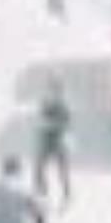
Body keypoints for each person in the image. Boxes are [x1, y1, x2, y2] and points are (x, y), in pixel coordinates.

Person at [34, 76, 72, 208]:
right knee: (39, 168)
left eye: (54, 89)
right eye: (50, 88)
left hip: (58, 140)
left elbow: (65, 123)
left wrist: (50, 124)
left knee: (62, 170)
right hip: (46, 140)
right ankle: (42, 193)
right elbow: (40, 119)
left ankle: (66, 194)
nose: (51, 92)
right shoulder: (45, 103)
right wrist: (44, 124)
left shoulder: (63, 105)